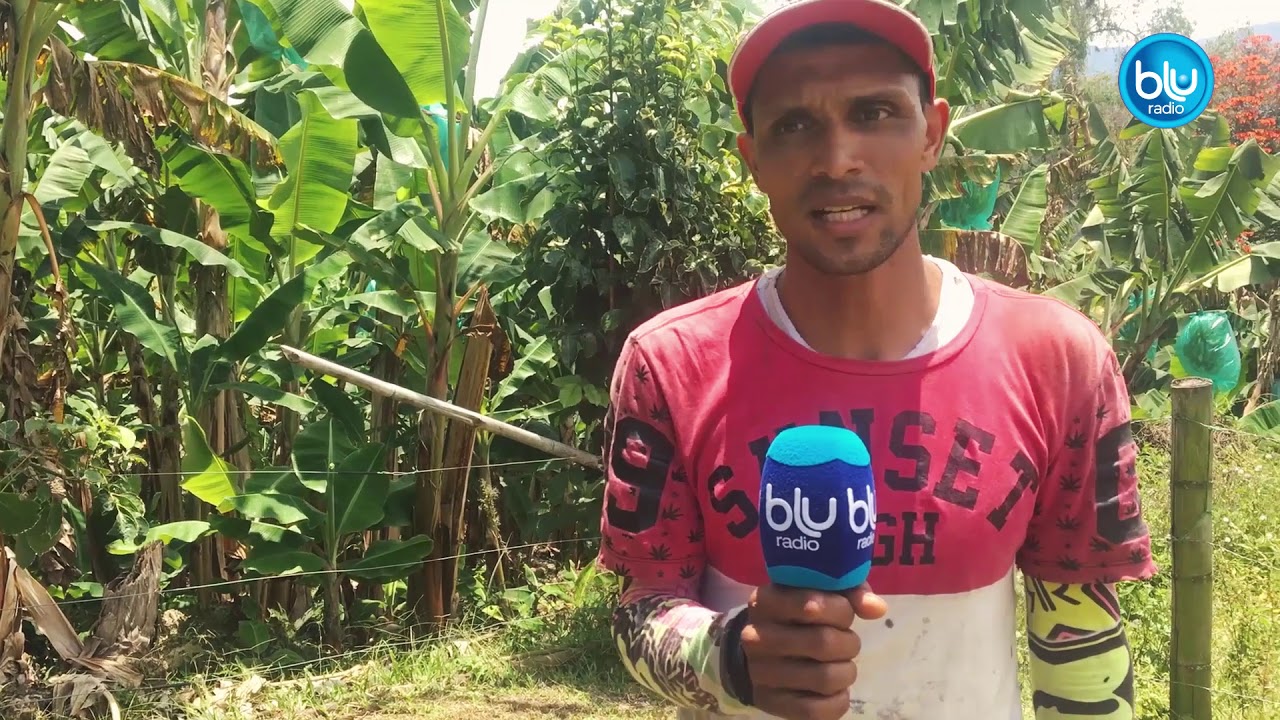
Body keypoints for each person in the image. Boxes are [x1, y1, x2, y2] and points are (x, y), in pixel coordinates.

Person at [594, 0, 1158, 718]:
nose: (837, 161)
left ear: (933, 133)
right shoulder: (670, 365)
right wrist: (729, 654)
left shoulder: (1058, 361)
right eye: (794, 126)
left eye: (876, 113)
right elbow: (641, 608)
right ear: (753, 159)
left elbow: (1079, 639)